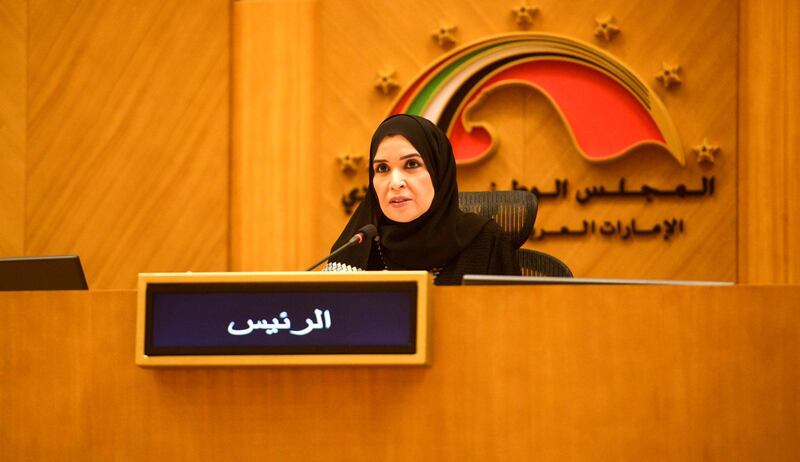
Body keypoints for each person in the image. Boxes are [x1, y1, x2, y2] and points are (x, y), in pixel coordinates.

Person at [326, 114, 521, 285]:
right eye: (382, 168)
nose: (395, 183)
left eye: (411, 164)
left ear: (438, 173)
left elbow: (510, 321)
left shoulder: (486, 241)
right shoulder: (361, 246)